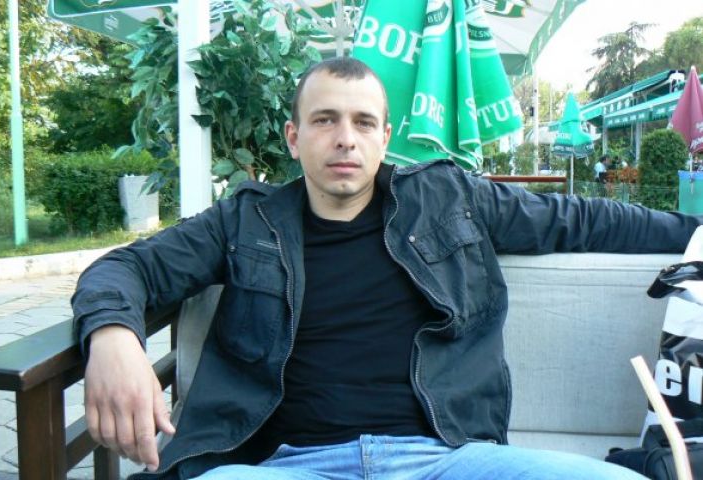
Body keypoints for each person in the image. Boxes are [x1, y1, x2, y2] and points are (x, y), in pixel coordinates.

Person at [73, 57, 701, 480]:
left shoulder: (452, 198)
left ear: (384, 136)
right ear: (294, 137)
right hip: (287, 465)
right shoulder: (244, 221)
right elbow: (126, 268)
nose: (345, 138)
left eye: (362, 122)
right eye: (325, 120)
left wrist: (695, 233)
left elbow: (583, 219)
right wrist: (113, 336)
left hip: (446, 460)